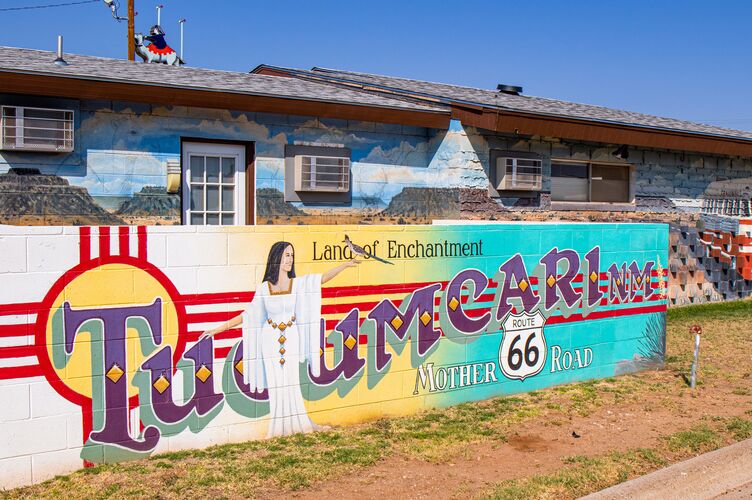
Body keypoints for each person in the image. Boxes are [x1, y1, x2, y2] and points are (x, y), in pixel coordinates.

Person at [201, 241, 359, 437]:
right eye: (286, 255)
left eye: (292, 255)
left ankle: (300, 422)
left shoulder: (298, 284)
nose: (290, 259)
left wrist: (343, 265)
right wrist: (218, 329)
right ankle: (277, 428)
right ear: (276, 258)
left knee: (291, 381)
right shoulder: (263, 289)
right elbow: (248, 315)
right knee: (276, 383)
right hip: (269, 341)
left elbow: (322, 279)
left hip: (291, 337)